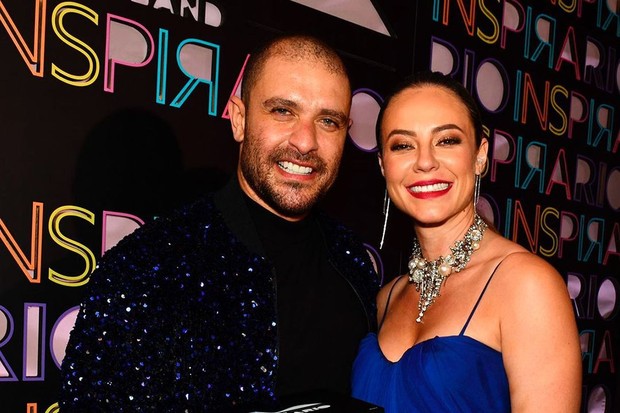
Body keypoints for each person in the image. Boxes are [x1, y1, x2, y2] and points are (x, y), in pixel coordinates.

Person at [58, 34, 379, 412]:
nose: (306, 142)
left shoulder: (351, 260)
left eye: (327, 120)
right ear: (239, 119)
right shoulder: (148, 265)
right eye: (283, 111)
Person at [351, 71, 582, 412]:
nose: (425, 162)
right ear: (384, 166)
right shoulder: (386, 298)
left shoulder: (526, 285)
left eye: (447, 141)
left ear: (480, 155)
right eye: (402, 145)